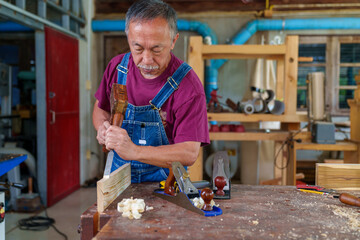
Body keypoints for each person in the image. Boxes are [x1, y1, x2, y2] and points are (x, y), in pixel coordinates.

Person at [92, 0, 209, 183]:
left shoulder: (188, 87)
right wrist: (102, 127)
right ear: (128, 38)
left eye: (156, 49)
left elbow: (189, 152)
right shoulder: (117, 68)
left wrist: (135, 151)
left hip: (166, 182)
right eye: (137, 48)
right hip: (119, 177)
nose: (146, 60)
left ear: (173, 41)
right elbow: (101, 108)